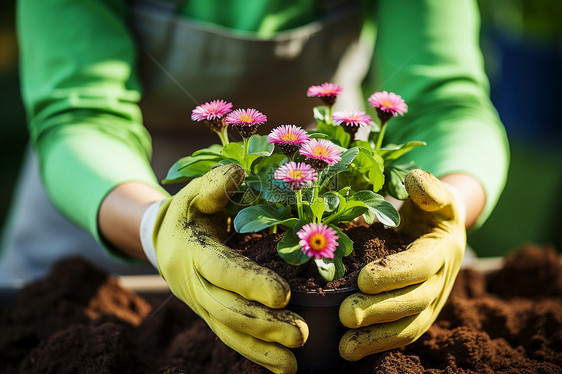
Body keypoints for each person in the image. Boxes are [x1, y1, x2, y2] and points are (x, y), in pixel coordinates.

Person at [1, 0, 509, 372]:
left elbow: (445, 99)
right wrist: (153, 224)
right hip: (108, 197)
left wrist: (452, 205)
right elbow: (80, 112)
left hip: (324, 169)